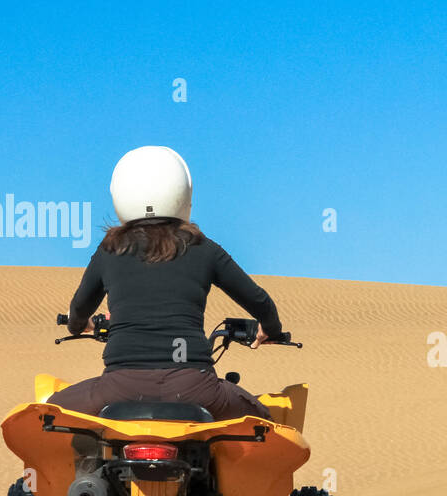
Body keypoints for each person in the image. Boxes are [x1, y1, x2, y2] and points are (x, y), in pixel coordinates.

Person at [48, 146, 283, 421]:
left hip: (119, 389)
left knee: (50, 413)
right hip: (197, 388)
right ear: (184, 194)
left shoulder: (109, 251)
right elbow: (260, 302)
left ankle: (85, 464)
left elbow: (78, 309)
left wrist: (80, 326)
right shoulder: (205, 249)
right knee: (265, 422)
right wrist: (270, 329)